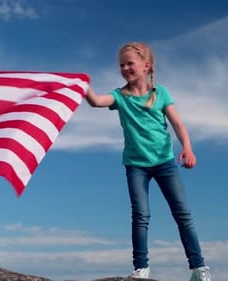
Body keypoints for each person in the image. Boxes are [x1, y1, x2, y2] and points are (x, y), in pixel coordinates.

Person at [85, 42, 212, 281]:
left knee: (182, 214)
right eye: (121, 64)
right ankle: (141, 268)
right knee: (140, 215)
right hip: (136, 165)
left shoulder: (161, 93)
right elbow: (95, 101)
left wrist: (187, 147)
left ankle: (199, 269)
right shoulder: (119, 96)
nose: (125, 68)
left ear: (146, 66)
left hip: (164, 162)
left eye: (130, 63)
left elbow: (178, 124)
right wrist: (83, 87)